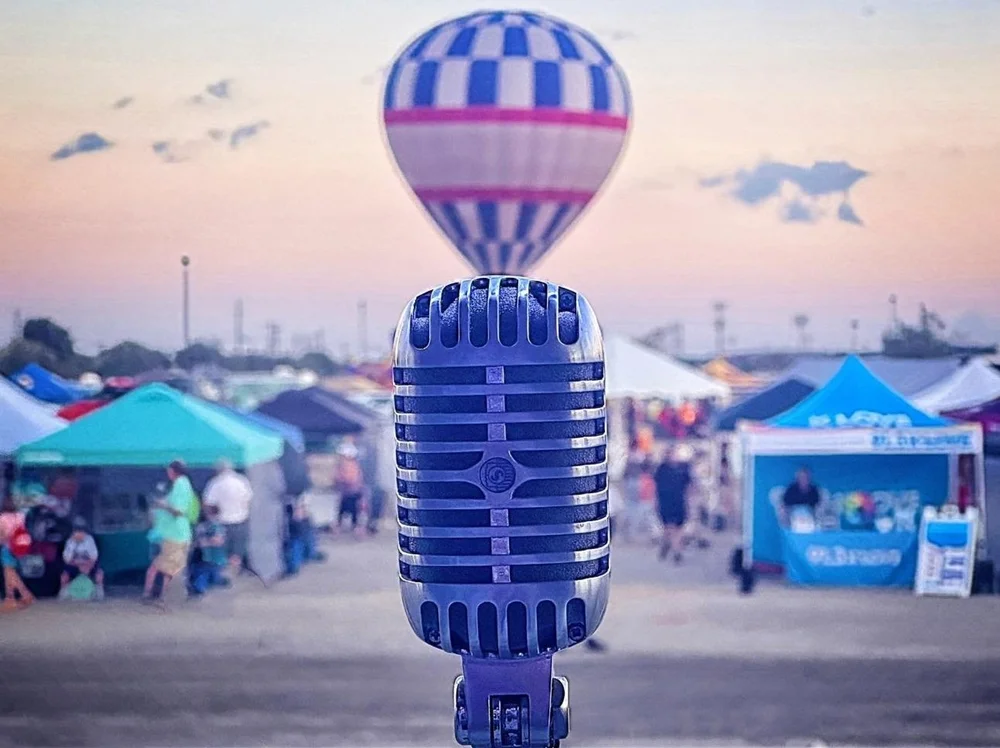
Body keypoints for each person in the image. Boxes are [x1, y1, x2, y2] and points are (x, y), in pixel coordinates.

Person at [143, 460, 195, 605]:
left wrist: (162, 505)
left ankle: (157, 595)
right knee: (170, 567)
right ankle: (161, 595)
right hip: (175, 533)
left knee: (165, 567)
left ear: (173, 471)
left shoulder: (180, 485)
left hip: (175, 534)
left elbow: (178, 511)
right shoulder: (183, 485)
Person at [202, 459, 253, 576]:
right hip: (241, 519)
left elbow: (208, 504)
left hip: (223, 521)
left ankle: (222, 573)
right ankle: (240, 568)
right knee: (239, 548)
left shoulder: (215, 483)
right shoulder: (242, 481)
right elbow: (248, 499)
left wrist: (210, 518)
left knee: (222, 550)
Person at [654, 447, 692, 564]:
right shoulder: (662, 470)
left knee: (678, 527)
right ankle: (676, 550)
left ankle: (670, 546)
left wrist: (691, 501)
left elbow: (689, 486)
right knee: (669, 527)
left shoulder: (683, 470)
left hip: (679, 501)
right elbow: (656, 487)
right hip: (666, 501)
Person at [0, 495, 34, 610]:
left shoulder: (2, 518)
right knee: (12, 572)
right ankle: (23, 595)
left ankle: (11, 598)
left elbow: (3, 535)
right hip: (19, 547)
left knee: (8, 573)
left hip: (7, 548)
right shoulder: (20, 516)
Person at [59, 516, 104, 601]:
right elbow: (67, 559)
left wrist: (87, 566)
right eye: (77, 531)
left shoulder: (90, 540)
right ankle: (63, 595)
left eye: (81, 531)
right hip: (74, 565)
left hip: (88, 564)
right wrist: (78, 565)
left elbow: (94, 557)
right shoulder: (69, 542)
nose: (79, 533)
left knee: (99, 574)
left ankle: (99, 594)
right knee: (64, 576)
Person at [189, 504, 228, 596]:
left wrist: (204, 542)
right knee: (209, 570)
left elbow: (218, 541)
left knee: (204, 571)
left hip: (211, 555)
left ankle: (200, 589)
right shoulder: (208, 525)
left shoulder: (215, 526)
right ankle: (212, 582)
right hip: (210, 555)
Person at [334, 442, 365, 536]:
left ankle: (356, 529)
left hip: (351, 492)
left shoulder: (350, 465)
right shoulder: (346, 465)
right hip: (348, 492)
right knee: (344, 510)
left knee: (351, 511)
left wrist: (340, 479)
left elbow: (350, 479)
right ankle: (352, 528)